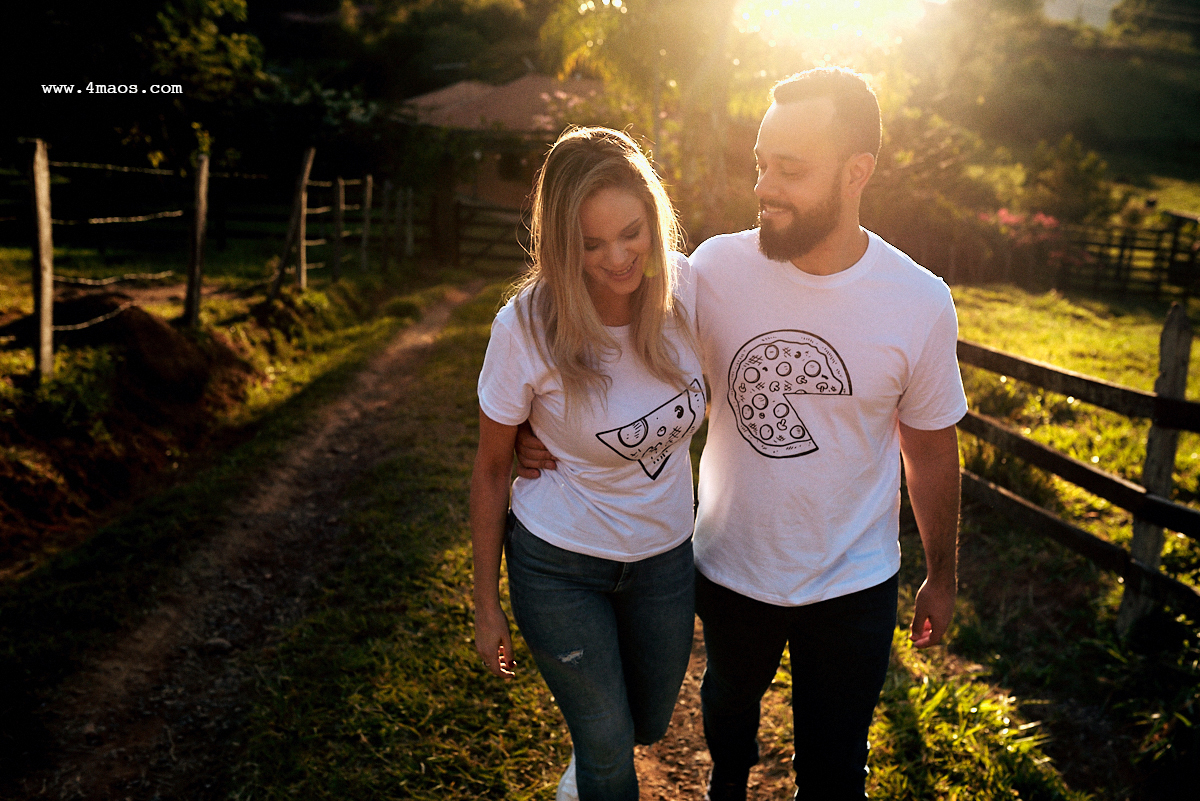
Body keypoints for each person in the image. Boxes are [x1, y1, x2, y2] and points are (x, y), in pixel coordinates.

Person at [517, 68, 968, 801]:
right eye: (761, 161)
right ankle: (726, 782)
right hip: (729, 566)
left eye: (790, 169)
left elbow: (930, 448)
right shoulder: (714, 272)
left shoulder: (918, 301)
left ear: (858, 172)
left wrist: (942, 575)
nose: (764, 185)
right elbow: (601, 340)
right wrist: (523, 428)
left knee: (835, 764)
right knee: (727, 709)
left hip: (855, 581)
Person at [470, 126, 704, 801]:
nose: (618, 258)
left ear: (654, 219)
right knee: (607, 746)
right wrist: (486, 605)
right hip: (559, 563)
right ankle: (594, 757)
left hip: (664, 558)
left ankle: (597, 742)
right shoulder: (526, 326)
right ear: (559, 246)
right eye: (591, 244)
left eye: (632, 232)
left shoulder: (691, 291)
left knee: (649, 721)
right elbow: (489, 469)